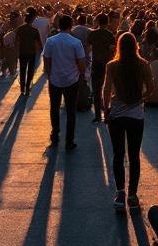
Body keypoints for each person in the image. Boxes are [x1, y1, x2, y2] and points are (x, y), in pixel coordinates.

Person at [102, 32, 153, 212]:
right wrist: (140, 100)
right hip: (136, 116)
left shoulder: (112, 66)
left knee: (118, 155)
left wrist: (106, 108)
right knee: (134, 155)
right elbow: (151, 89)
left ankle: (120, 193)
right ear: (135, 46)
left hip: (116, 115)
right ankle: (132, 193)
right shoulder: (144, 65)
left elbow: (107, 90)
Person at [43, 15, 87, 149]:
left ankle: (55, 132)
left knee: (54, 107)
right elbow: (81, 62)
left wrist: (49, 73)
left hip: (55, 78)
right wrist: (82, 74)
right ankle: (69, 140)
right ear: (70, 25)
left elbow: (46, 60)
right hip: (72, 79)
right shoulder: (75, 43)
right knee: (71, 111)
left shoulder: (50, 41)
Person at [89, 13, 118, 119]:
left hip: (96, 63)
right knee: (108, 89)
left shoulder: (93, 34)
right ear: (108, 22)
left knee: (96, 90)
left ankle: (97, 114)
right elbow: (113, 48)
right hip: (107, 64)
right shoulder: (110, 34)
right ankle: (106, 112)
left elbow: (89, 42)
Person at [15, 9, 43, 96]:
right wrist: (39, 50)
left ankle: (22, 88)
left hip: (22, 51)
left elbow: (16, 41)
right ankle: (28, 88)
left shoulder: (19, 29)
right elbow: (37, 43)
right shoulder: (34, 30)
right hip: (31, 52)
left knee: (22, 71)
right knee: (30, 71)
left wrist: (17, 50)